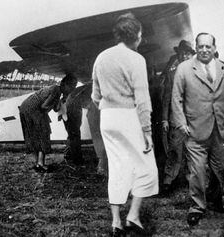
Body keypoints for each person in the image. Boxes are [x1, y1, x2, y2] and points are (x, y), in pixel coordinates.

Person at [91, 13, 158, 237]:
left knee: (118, 167)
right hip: (128, 115)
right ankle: (133, 215)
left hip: (107, 117)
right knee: (146, 167)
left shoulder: (101, 57)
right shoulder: (136, 59)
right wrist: (147, 131)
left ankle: (116, 221)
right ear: (136, 36)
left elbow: (95, 96)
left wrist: (109, 104)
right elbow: (142, 99)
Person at [171, 32, 224, 226]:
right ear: (196, 48)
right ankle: (197, 206)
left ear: (214, 48)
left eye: (208, 46)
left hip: (220, 131)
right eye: (201, 46)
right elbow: (176, 98)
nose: (204, 50)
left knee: (221, 168)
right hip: (195, 130)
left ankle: (215, 199)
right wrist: (181, 123)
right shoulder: (184, 69)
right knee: (197, 170)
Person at [19, 74, 77, 172]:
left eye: (74, 87)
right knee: (43, 133)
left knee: (35, 135)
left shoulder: (57, 92)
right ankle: (40, 164)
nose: (72, 89)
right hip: (33, 109)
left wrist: (63, 99)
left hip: (27, 108)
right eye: (70, 86)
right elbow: (44, 106)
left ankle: (38, 163)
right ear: (64, 84)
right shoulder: (55, 90)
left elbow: (55, 109)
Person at [160, 40, 195, 195]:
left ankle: (191, 180)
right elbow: (166, 98)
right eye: (182, 53)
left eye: (187, 53)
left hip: (194, 119)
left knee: (192, 151)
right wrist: (165, 119)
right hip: (176, 120)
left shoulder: (198, 72)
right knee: (175, 150)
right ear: (179, 55)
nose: (184, 55)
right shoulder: (172, 75)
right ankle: (168, 180)